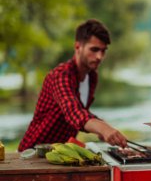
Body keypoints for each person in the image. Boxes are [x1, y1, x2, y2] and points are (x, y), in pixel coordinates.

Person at [18, 19, 128, 151]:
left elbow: (82, 111)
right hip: (33, 153)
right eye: (94, 49)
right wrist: (103, 128)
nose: (99, 56)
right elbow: (73, 112)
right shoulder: (60, 75)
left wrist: (102, 130)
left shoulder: (92, 76)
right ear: (78, 47)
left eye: (103, 51)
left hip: (60, 153)